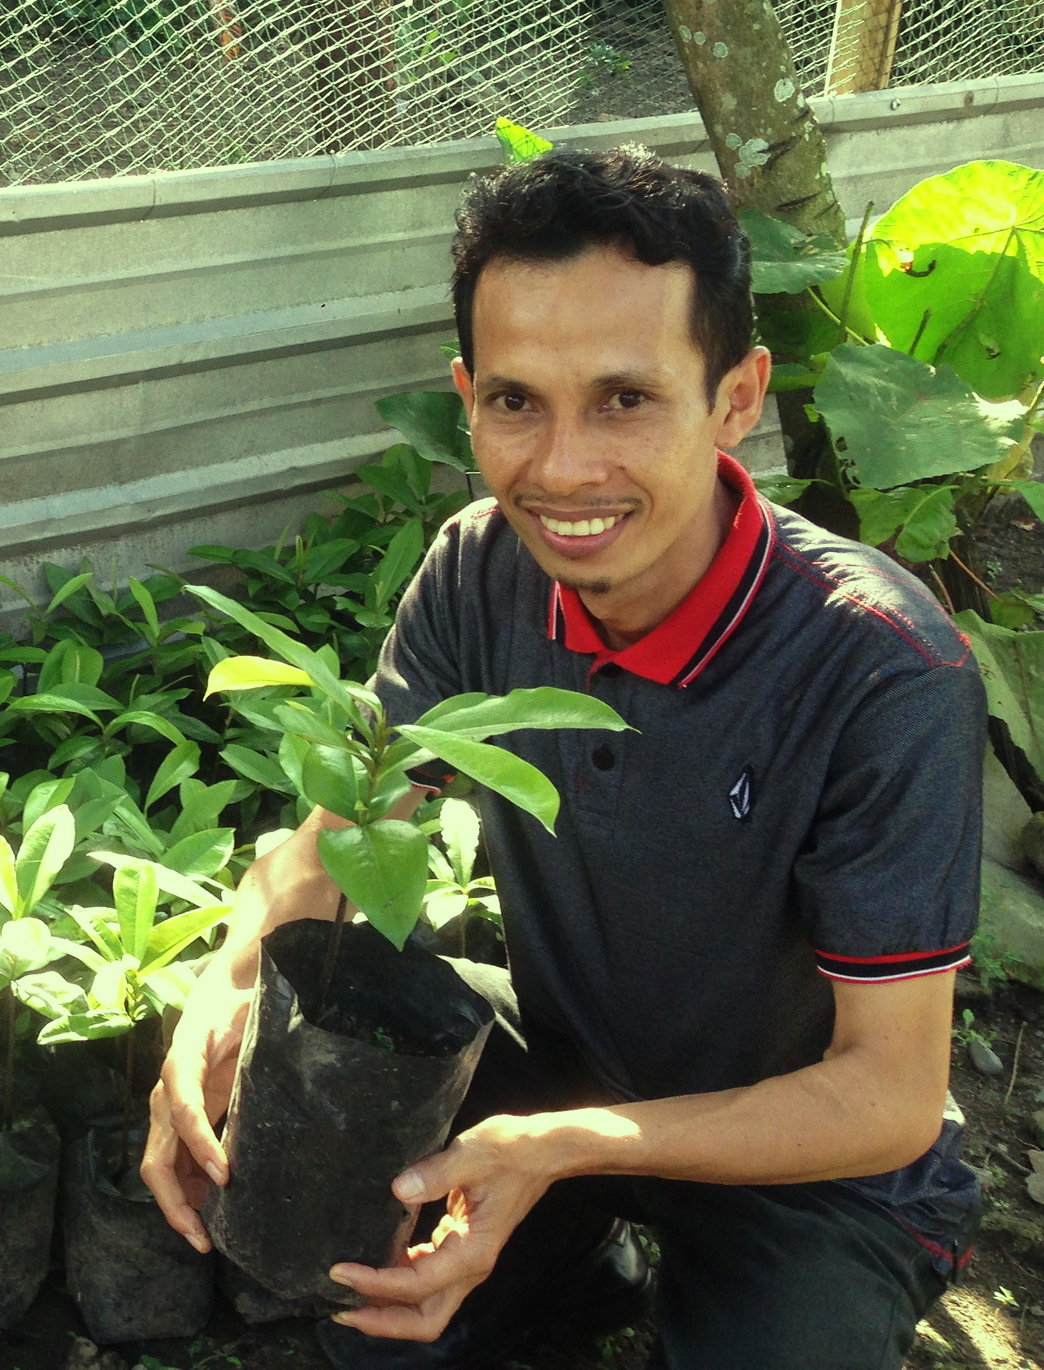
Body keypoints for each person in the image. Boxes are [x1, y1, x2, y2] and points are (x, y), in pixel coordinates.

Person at [141, 146, 984, 1370]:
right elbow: (336, 840)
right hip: (551, 1058)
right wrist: (227, 975)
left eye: (624, 400)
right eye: (514, 401)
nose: (562, 469)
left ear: (736, 397)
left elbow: (886, 1095)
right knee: (373, 1322)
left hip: (811, 1152)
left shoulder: (877, 670)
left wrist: (567, 1147)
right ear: (464, 392)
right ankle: (570, 1267)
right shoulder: (480, 568)